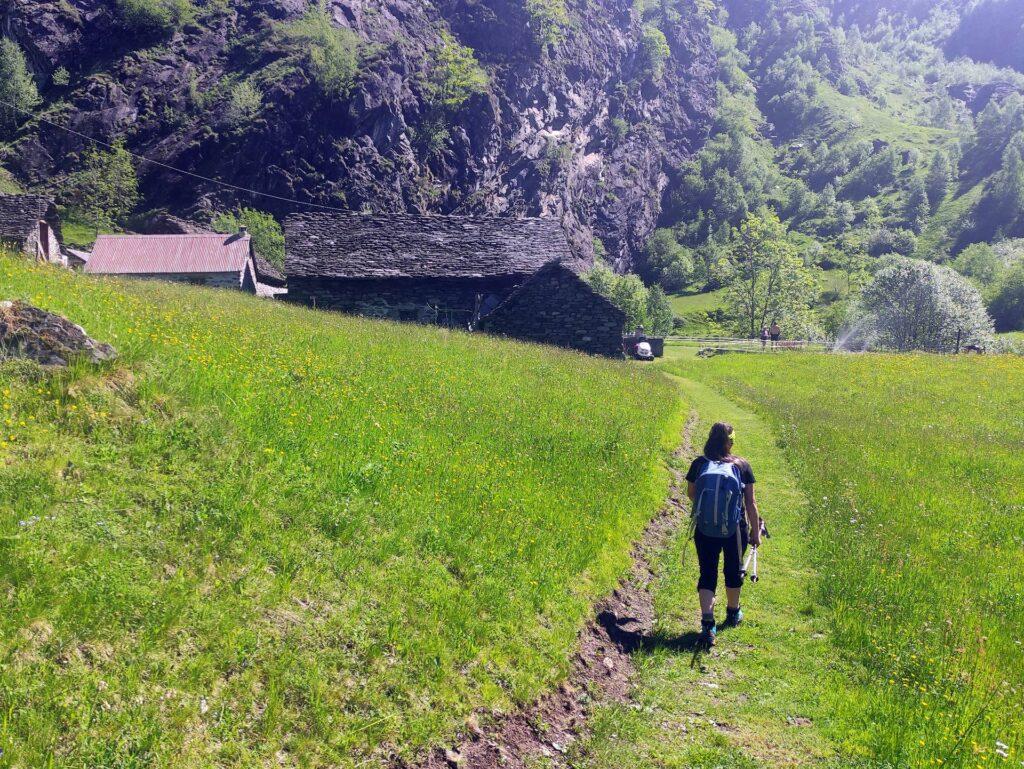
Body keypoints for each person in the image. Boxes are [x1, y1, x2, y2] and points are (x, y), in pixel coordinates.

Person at [686, 422, 762, 647]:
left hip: (705, 528)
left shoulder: (699, 464)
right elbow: (751, 503)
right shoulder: (742, 465)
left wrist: (710, 511)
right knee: (733, 569)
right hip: (734, 529)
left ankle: (708, 624)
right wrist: (755, 532)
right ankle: (732, 612)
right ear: (731, 442)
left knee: (707, 573)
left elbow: (692, 494)